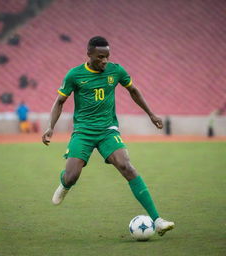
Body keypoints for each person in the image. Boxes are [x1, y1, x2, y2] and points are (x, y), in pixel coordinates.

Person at [42, 36, 175, 236]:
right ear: (89, 55)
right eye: (100, 57)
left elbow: (134, 91)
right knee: (72, 175)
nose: (104, 61)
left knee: (126, 166)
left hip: (107, 130)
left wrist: (151, 114)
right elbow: (59, 102)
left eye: (107, 57)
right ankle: (65, 182)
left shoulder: (116, 70)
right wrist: (50, 127)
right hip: (83, 131)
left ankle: (157, 220)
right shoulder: (75, 75)